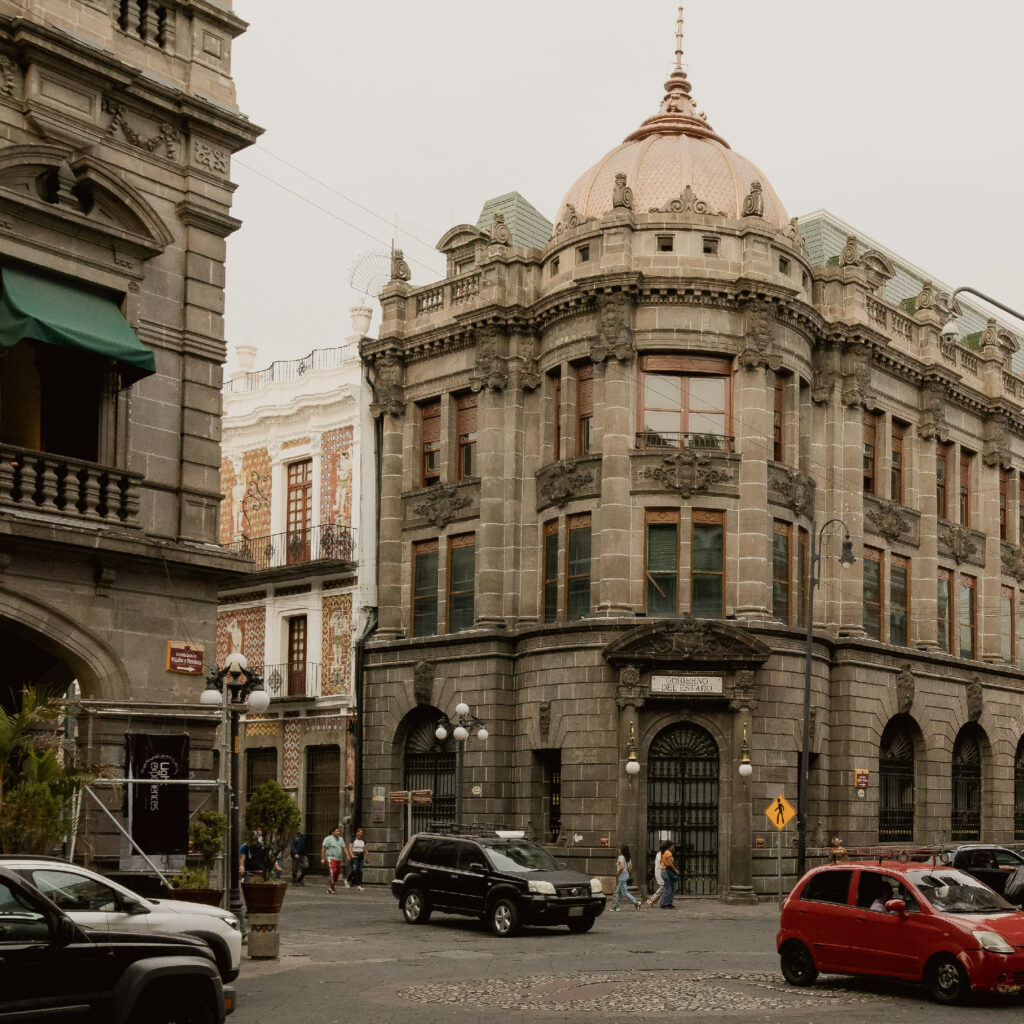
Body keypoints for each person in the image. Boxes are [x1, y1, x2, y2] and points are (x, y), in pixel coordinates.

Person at [611, 844, 640, 911]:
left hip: (622, 875)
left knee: (624, 892)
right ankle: (616, 906)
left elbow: (621, 867)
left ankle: (636, 902)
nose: (619, 849)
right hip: (626, 874)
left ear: (622, 850)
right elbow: (630, 867)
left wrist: (618, 873)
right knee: (618, 892)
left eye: (620, 848)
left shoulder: (621, 857)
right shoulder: (628, 858)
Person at [321, 826, 346, 894]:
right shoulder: (327, 839)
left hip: (338, 859)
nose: (338, 832)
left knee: (336, 874)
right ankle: (332, 887)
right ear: (333, 832)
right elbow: (323, 848)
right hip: (330, 858)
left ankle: (331, 887)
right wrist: (323, 858)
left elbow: (344, 847)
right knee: (333, 871)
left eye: (339, 831)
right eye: (337, 831)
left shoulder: (340, 839)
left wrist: (347, 855)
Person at [647, 841, 668, 907]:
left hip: (661, 872)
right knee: (662, 887)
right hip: (660, 872)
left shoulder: (661, 854)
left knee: (664, 887)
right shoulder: (660, 854)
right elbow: (662, 863)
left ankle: (661, 902)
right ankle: (651, 900)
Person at [660, 842, 679, 909]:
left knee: (670, 887)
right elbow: (670, 864)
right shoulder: (668, 853)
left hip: (664, 871)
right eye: (672, 846)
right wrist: (675, 870)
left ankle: (668, 903)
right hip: (666, 871)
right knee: (668, 888)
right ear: (670, 846)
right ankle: (665, 903)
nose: (673, 847)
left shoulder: (663, 852)